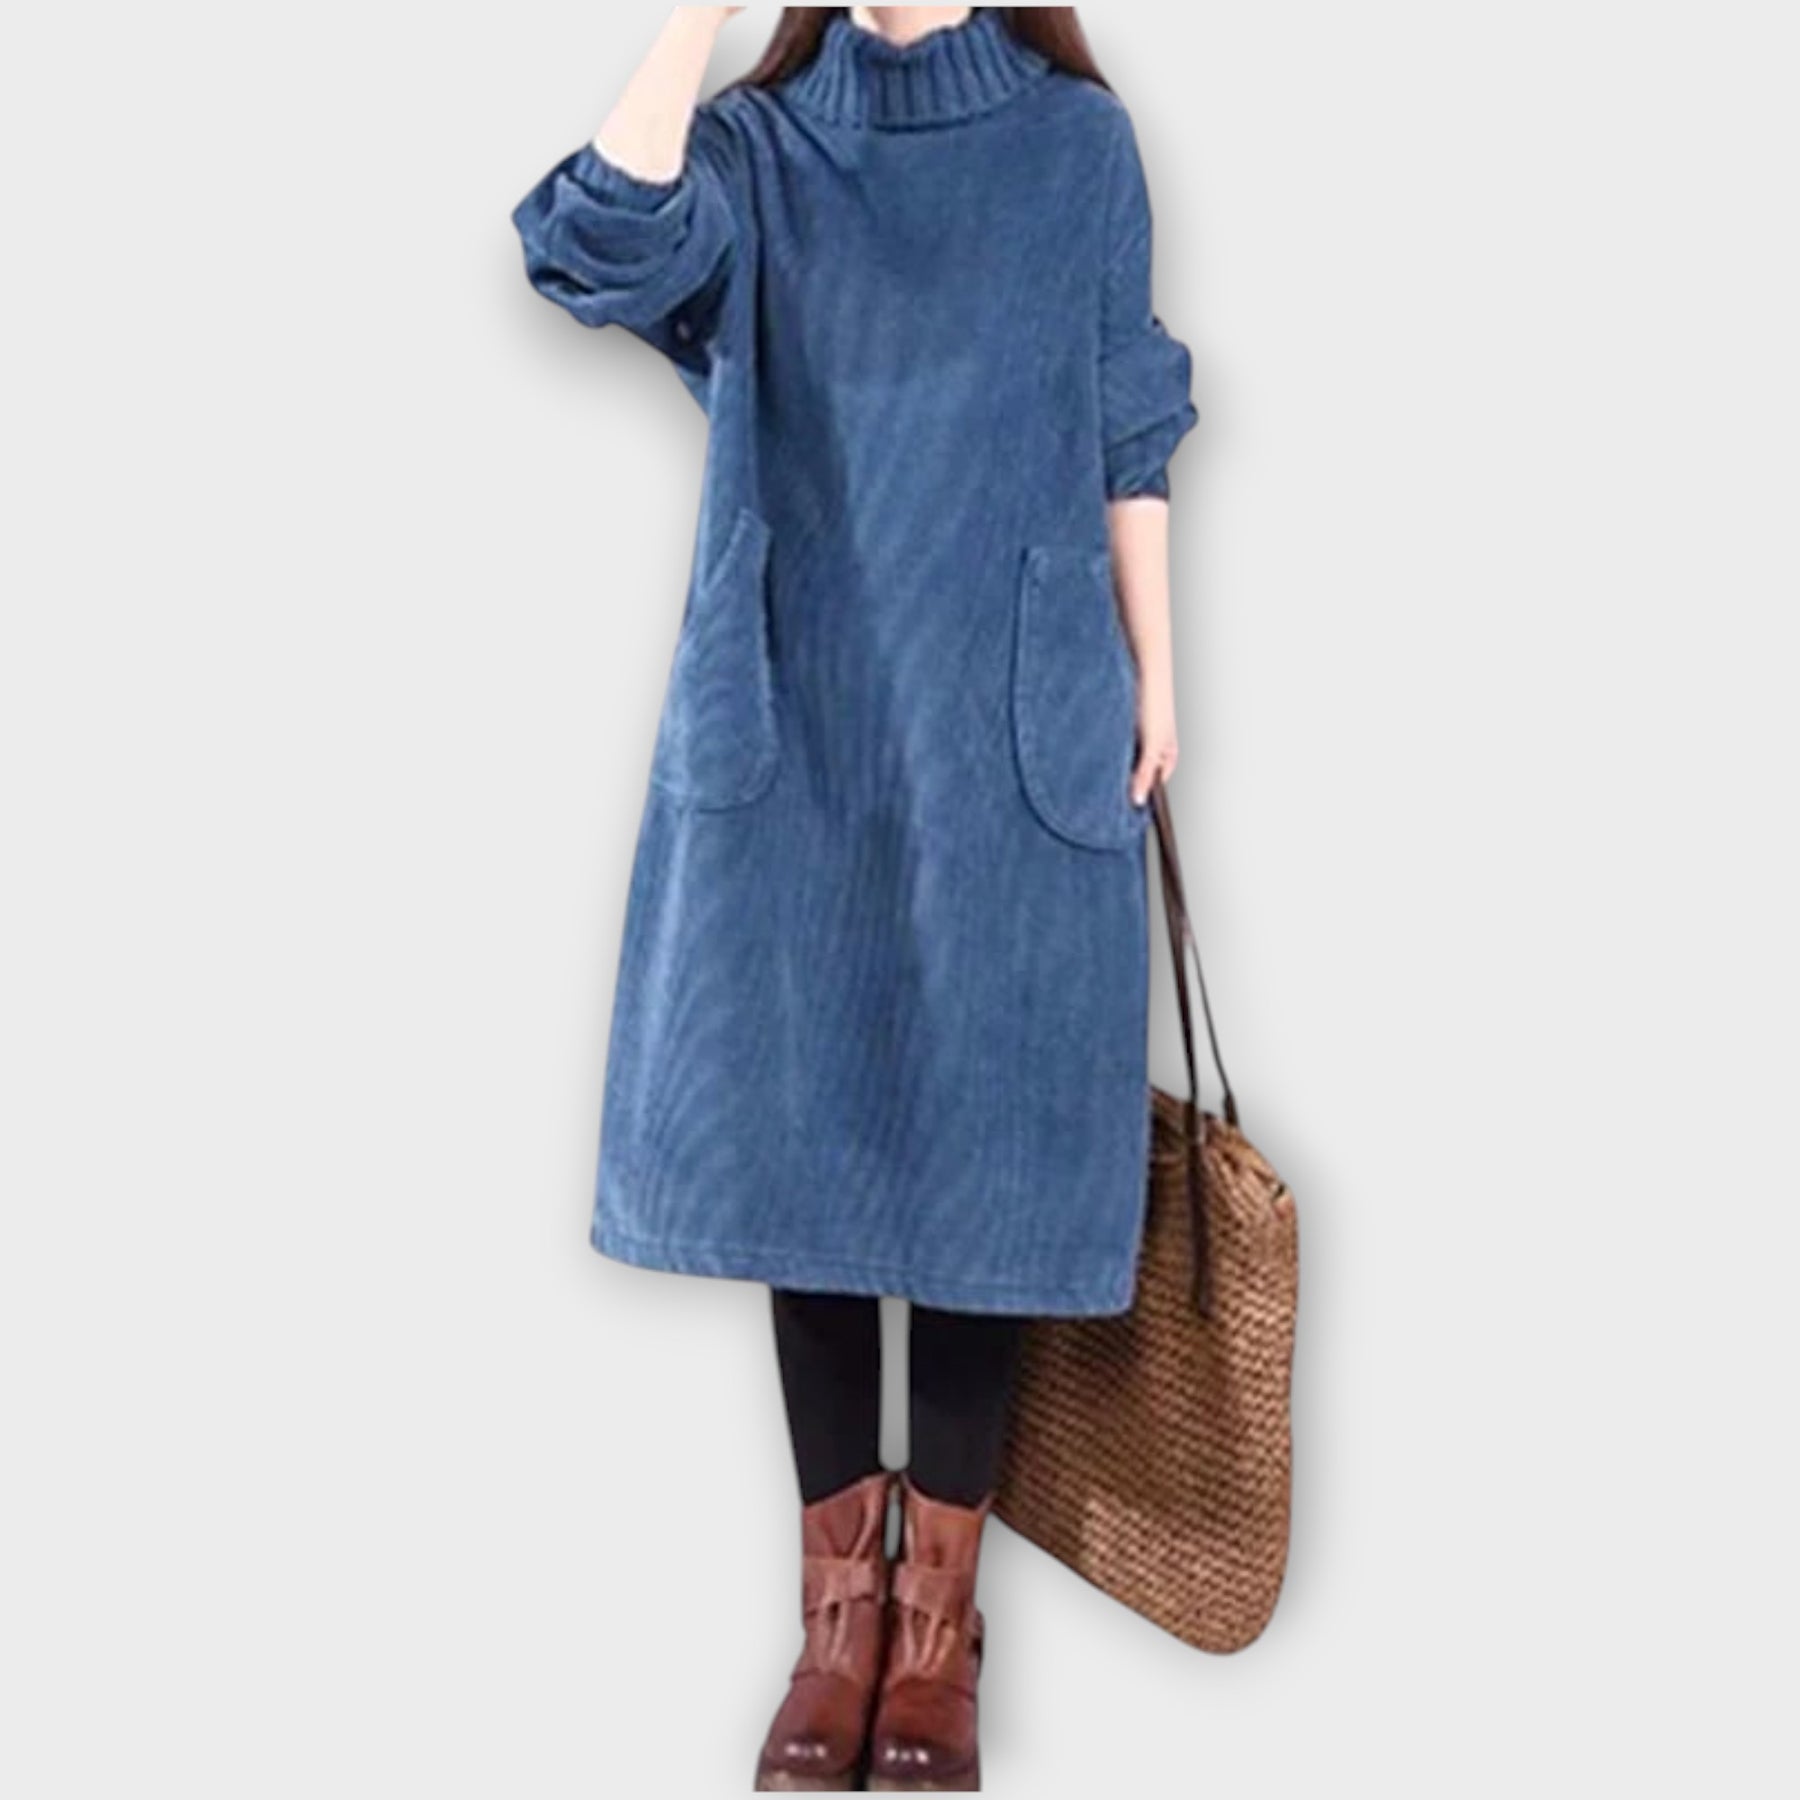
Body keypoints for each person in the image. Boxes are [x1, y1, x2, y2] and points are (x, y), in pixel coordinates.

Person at [512, 7, 1196, 1789]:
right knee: (807, 1154)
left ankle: (938, 1633)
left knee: (977, 1159)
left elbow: (1129, 415)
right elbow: (593, 240)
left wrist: (1158, 672)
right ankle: (838, 1624)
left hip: (1013, 711)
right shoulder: (759, 152)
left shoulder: (1074, 148)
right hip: (799, 705)